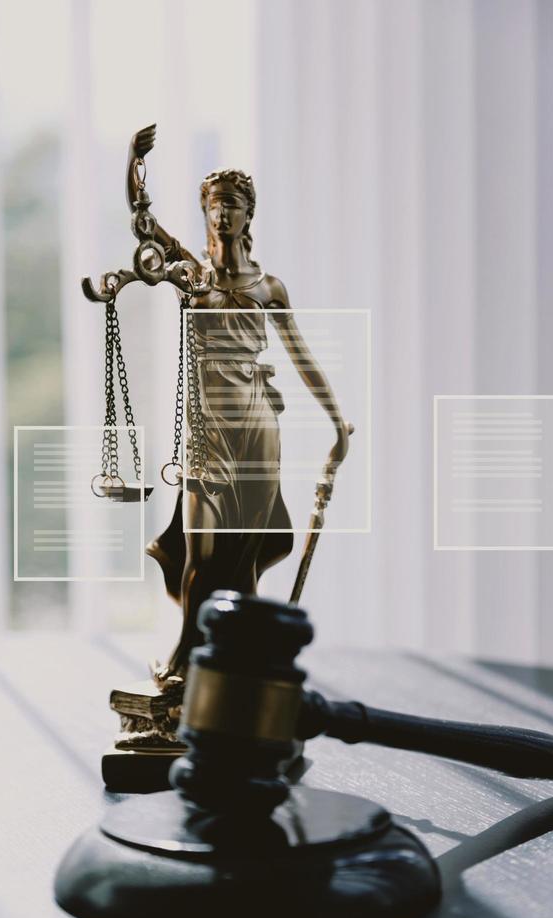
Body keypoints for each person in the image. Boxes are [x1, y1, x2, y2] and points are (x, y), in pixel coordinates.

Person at [127, 125, 349, 681]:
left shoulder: (269, 286)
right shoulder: (192, 274)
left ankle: (238, 661)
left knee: (244, 558)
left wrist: (336, 421)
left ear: (249, 214)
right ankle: (186, 654)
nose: (221, 215)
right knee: (201, 557)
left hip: (257, 426)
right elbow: (143, 225)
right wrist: (134, 166)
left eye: (231, 206)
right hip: (207, 432)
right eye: (213, 206)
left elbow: (300, 355)